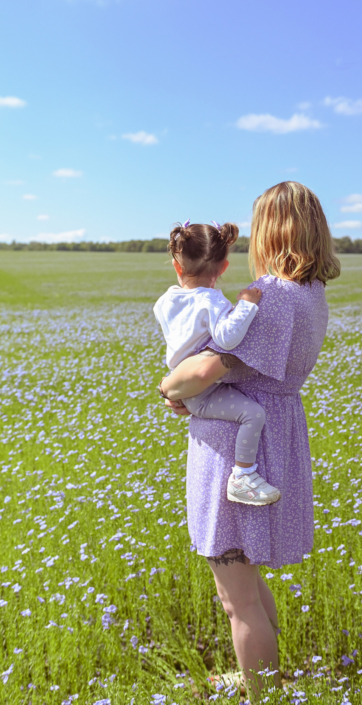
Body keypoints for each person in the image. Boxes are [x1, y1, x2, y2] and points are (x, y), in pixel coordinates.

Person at [159, 182, 340, 699]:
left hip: (239, 452)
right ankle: (262, 674)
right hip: (269, 436)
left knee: (237, 596)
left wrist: (171, 387)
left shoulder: (275, 296)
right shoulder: (309, 294)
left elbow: (207, 369)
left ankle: (264, 694)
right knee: (247, 586)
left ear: (274, 229)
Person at [154, 219, 280, 505]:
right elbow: (227, 338)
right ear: (223, 267)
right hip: (202, 390)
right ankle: (242, 476)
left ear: (177, 266)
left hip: (183, 381)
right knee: (254, 414)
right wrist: (247, 306)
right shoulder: (211, 301)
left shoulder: (166, 300)